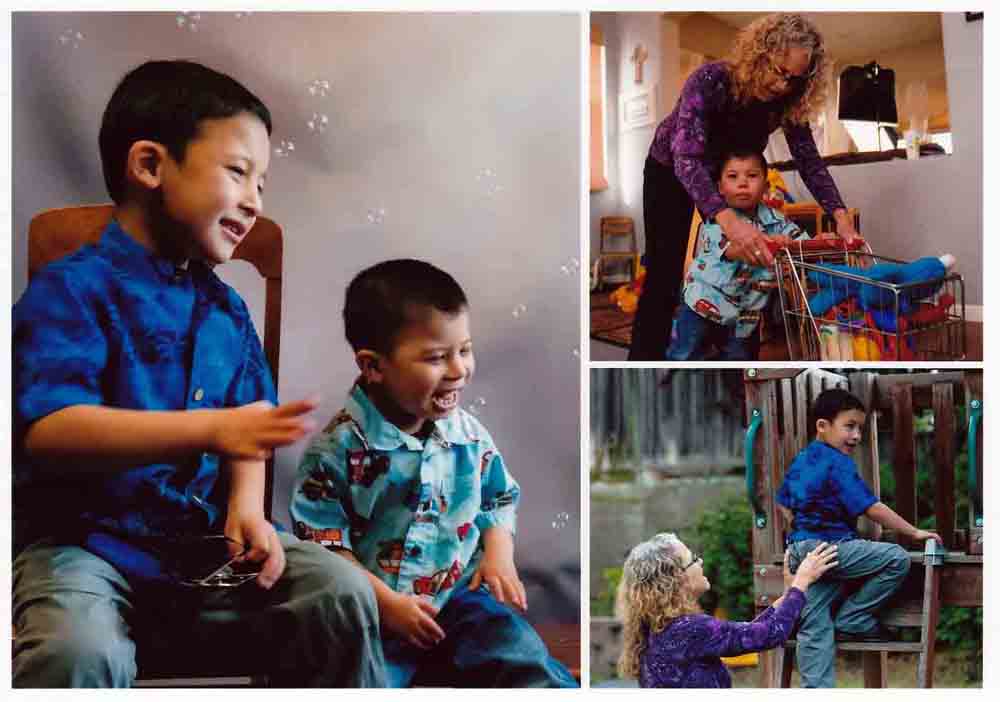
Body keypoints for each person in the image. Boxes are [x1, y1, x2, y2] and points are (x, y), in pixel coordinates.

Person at [12, 60, 385, 688]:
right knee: (75, 650)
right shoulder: (70, 293)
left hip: (201, 547)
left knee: (340, 592)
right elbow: (48, 429)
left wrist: (246, 508)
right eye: (238, 172)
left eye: (262, 182)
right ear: (151, 166)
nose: (254, 199)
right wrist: (209, 429)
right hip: (84, 547)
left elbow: (249, 429)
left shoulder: (226, 311)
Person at [289, 259, 578, 688]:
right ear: (373, 366)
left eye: (464, 350)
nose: (459, 370)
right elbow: (324, 545)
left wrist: (499, 555)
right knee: (357, 680)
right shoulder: (337, 451)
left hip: (459, 600)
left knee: (520, 655)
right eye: (437, 358)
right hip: (374, 616)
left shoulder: (467, 435)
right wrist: (386, 604)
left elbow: (497, 498)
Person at [629, 12, 862, 361]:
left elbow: (808, 161)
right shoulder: (710, 80)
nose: (784, 85)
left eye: (795, 80)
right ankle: (642, 370)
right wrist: (728, 221)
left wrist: (840, 215)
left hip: (730, 177)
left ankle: (737, 365)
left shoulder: (787, 99)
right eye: (779, 71)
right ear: (761, 53)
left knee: (748, 271)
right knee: (664, 277)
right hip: (672, 171)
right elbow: (687, 159)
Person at [777, 388, 944, 687]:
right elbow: (871, 508)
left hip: (804, 552)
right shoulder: (837, 463)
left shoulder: (802, 459)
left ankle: (816, 689)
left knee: (813, 623)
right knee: (896, 559)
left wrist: (800, 538)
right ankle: (854, 618)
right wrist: (914, 531)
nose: (856, 436)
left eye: (860, 429)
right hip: (830, 548)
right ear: (823, 426)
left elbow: (783, 503)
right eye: (849, 426)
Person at [616, 532, 838, 688]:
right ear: (676, 578)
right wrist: (802, 581)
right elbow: (769, 634)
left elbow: (750, 632)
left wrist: (789, 593)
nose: (700, 561)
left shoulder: (658, 631)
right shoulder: (691, 629)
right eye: (693, 559)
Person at [667, 148, 812, 361]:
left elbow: (803, 243)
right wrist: (772, 243)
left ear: (765, 185)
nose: (743, 183)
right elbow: (736, 250)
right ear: (720, 188)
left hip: (745, 318)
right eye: (733, 176)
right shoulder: (718, 219)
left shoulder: (777, 220)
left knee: (741, 368)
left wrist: (815, 240)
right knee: (683, 358)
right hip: (702, 305)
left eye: (752, 176)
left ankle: (735, 394)